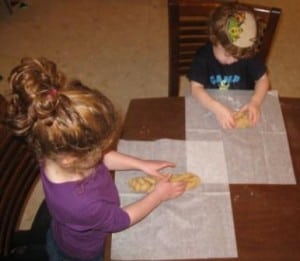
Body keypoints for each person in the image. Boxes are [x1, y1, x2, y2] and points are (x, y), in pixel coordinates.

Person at [3, 57, 186, 261]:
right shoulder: (80, 204)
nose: (104, 152)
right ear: (70, 160)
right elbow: (121, 220)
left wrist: (141, 164)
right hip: (84, 254)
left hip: (65, 229)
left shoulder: (53, 151)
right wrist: (159, 195)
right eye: (98, 150)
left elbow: (102, 160)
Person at [187, 3, 270, 129]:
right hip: (210, 103)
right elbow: (195, 89)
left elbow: (263, 80)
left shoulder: (247, 53)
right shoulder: (202, 57)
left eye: (238, 57)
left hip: (242, 102)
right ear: (214, 40)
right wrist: (216, 108)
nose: (233, 60)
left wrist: (255, 102)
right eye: (227, 55)